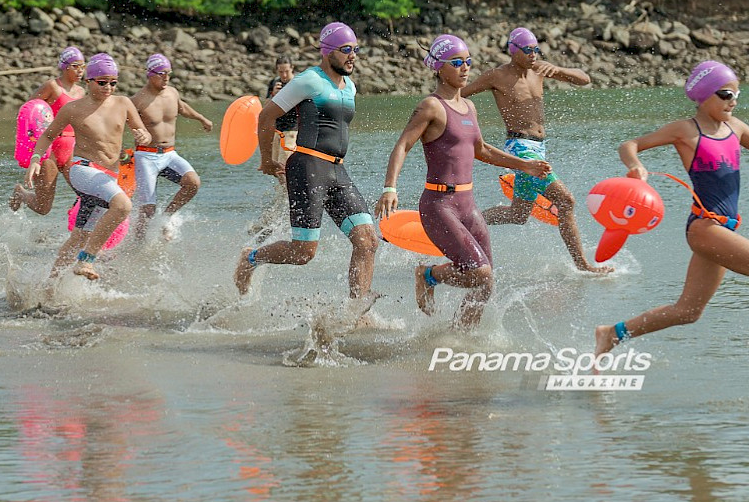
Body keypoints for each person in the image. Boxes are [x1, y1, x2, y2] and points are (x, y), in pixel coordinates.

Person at [591, 61, 749, 386]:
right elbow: (629, 145)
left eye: (737, 93)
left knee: (688, 311)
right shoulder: (686, 130)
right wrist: (635, 166)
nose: (733, 99)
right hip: (705, 228)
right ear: (704, 96)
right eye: (725, 94)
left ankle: (611, 333)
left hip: (724, 229)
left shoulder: (736, 127)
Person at [375, 35, 552, 328]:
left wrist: (525, 166)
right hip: (439, 204)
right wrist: (390, 187)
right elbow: (403, 145)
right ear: (439, 68)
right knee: (479, 273)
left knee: (486, 281)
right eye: (456, 63)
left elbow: (480, 149)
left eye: (468, 61)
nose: (465, 67)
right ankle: (428, 275)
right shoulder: (431, 106)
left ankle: (459, 337)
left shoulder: (469, 108)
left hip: (467, 205)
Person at [233, 23, 380, 343]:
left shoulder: (350, 87)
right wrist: (265, 160)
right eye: (346, 49)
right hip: (307, 167)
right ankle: (251, 257)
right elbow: (266, 116)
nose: (353, 55)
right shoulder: (308, 80)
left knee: (367, 240)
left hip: (338, 171)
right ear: (328, 52)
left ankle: (358, 313)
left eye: (356, 49)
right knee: (303, 253)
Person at [461, 27, 609, 273]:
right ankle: (582, 264)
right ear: (513, 50)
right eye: (527, 50)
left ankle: (465, 222)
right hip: (520, 148)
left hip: (539, 148)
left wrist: (559, 71)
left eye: (536, 50)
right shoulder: (496, 75)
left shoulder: (540, 69)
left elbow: (585, 79)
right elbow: (461, 94)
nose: (533, 54)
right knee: (566, 201)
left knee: (518, 214)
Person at [27, 53, 151, 284]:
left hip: (108, 176)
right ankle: (86, 259)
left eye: (113, 82)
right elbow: (48, 135)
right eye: (102, 82)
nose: (108, 87)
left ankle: (48, 286)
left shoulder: (124, 103)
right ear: (89, 81)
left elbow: (142, 133)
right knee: (123, 205)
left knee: (79, 235)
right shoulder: (73, 109)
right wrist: (35, 159)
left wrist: (144, 135)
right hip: (83, 170)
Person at [129, 53, 211, 241]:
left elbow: (182, 107)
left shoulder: (172, 92)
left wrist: (201, 118)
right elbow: (118, 121)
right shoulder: (138, 100)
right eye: (161, 73)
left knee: (193, 183)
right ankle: (137, 244)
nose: (166, 77)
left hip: (169, 154)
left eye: (169, 73)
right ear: (150, 74)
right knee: (148, 209)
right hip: (146, 156)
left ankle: (166, 218)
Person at [10, 47, 86, 215]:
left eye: (83, 66)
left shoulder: (81, 92)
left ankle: (77, 230)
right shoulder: (52, 86)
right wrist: (29, 141)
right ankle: (21, 193)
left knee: (86, 195)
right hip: (49, 151)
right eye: (76, 66)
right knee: (43, 208)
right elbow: (27, 110)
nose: (81, 70)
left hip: (72, 149)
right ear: (65, 66)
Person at [264, 55, 297, 169]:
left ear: (292, 68)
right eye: (280, 71)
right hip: (277, 129)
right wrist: (274, 94)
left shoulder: (297, 83)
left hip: (293, 129)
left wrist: (285, 94)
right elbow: (266, 107)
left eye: (286, 71)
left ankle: (290, 187)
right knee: (276, 166)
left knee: (285, 164)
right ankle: (283, 187)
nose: (283, 75)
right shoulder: (274, 82)